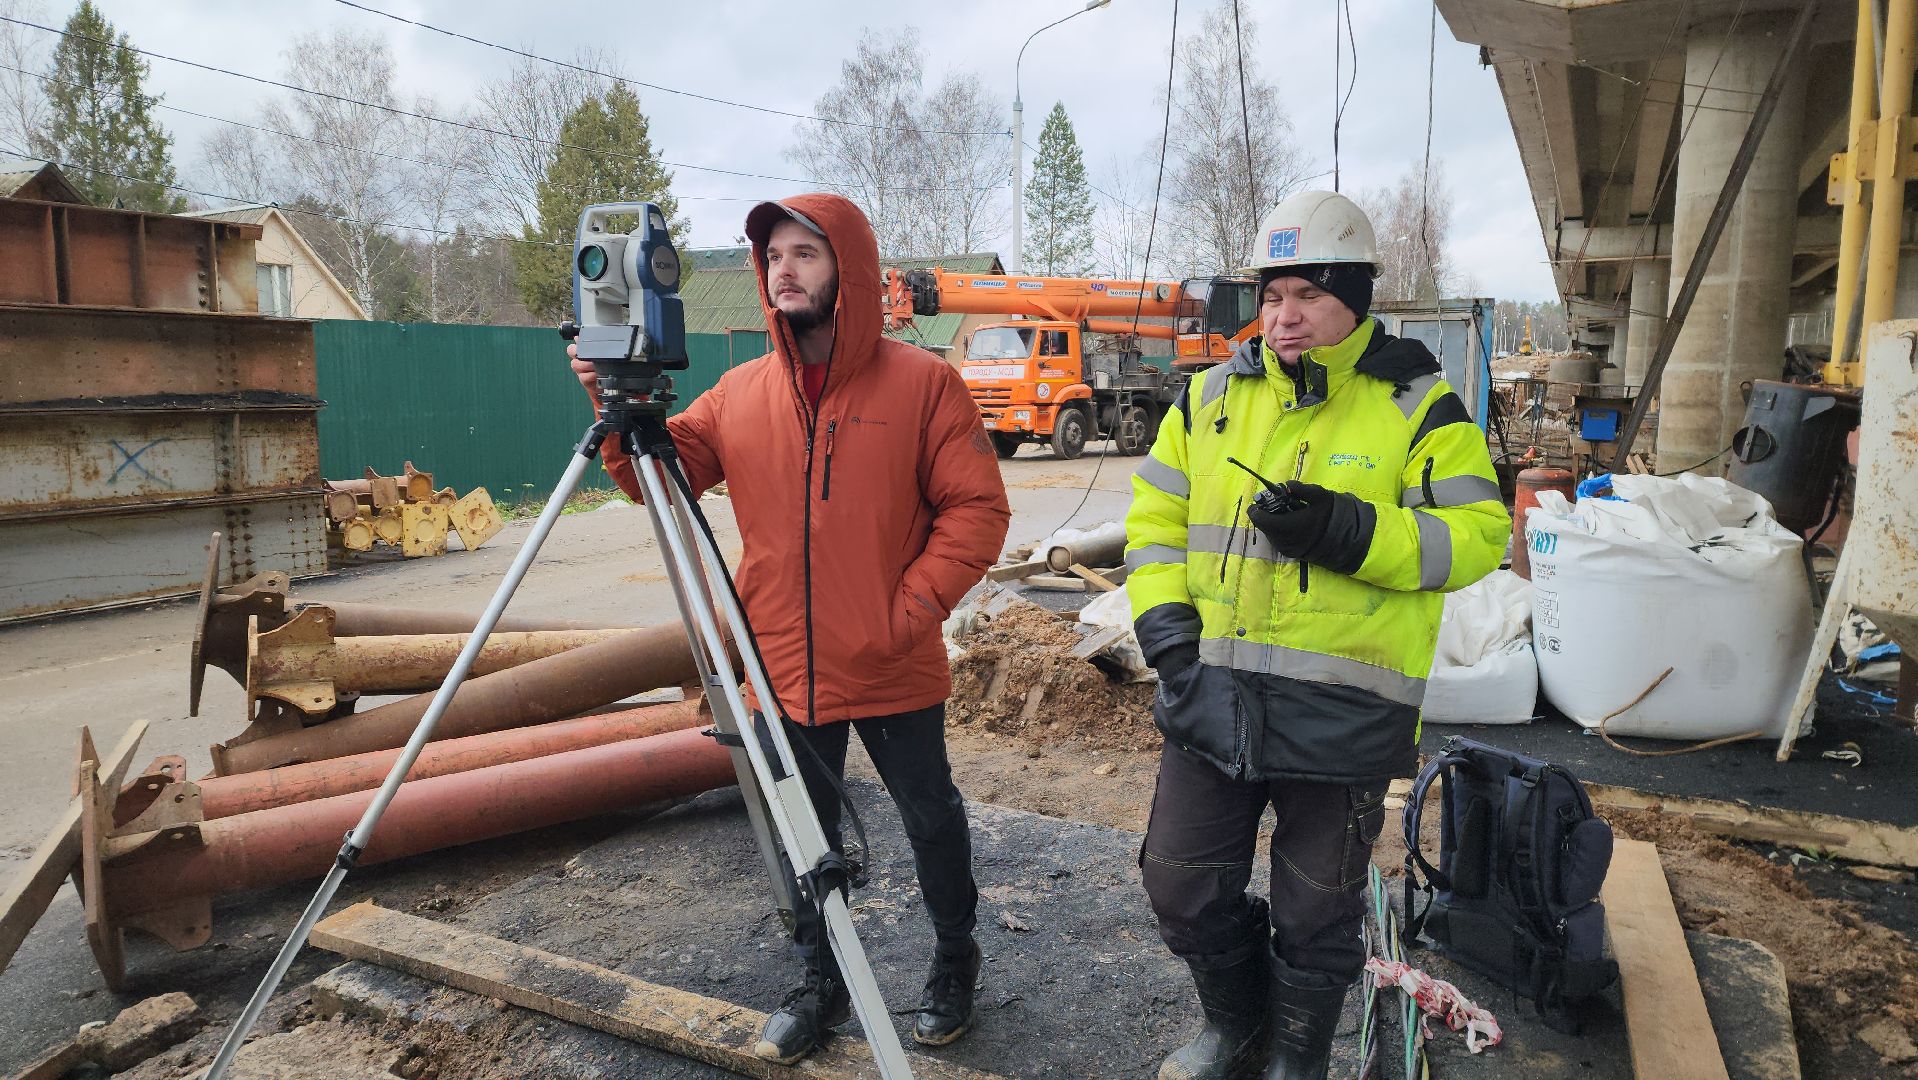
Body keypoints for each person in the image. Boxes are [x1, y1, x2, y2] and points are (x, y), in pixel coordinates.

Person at [569, 194, 1011, 1064]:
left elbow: (978, 511)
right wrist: (614, 416)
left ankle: (954, 961)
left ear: (847, 267)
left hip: (891, 662)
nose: (784, 270)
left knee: (931, 820)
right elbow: (659, 479)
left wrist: (908, 612)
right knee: (800, 831)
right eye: (774, 256)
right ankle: (820, 981)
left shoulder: (924, 384)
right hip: (782, 669)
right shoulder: (741, 393)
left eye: (805, 252)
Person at [1122, 190, 1508, 1080]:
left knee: (1317, 912)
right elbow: (1153, 517)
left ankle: (1298, 1055)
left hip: (1343, 716)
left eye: (1307, 293)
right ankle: (1238, 1024)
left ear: (1355, 294)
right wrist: (1168, 635)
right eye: (1271, 294)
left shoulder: (1416, 399)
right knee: (1180, 884)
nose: (1283, 316)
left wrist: (1349, 531)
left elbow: (1481, 533)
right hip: (1210, 696)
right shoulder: (1210, 398)